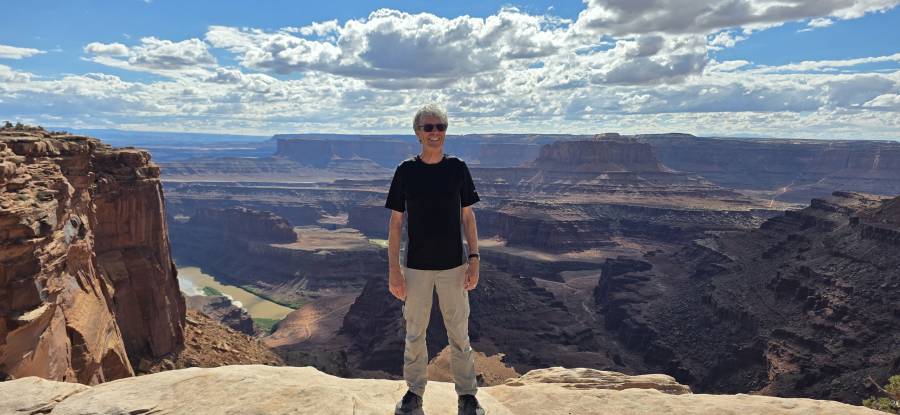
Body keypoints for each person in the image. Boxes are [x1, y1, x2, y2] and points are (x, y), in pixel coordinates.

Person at [386, 104, 485, 415]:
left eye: (440, 127)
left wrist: (474, 258)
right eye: (428, 127)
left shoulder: (457, 168)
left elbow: (468, 217)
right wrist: (394, 270)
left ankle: (467, 396)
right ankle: (414, 393)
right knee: (415, 333)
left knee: (459, 333)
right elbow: (396, 223)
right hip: (416, 267)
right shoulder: (406, 171)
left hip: (454, 266)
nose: (435, 132)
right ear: (418, 133)